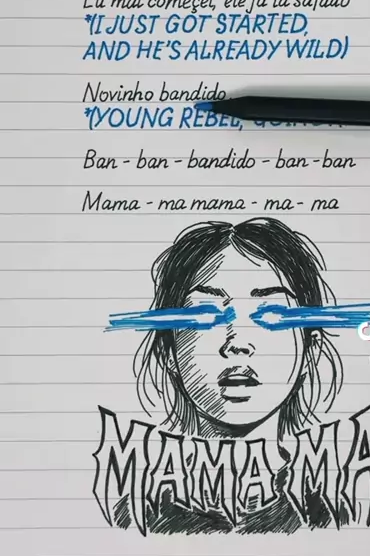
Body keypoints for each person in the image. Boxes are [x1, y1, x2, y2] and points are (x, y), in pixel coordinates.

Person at [128, 217, 349, 534]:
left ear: (310, 348)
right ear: (168, 349)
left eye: (270, 313)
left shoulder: (336, 505)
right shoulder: (135, 507)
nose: (237, 344)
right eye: (207, 313)